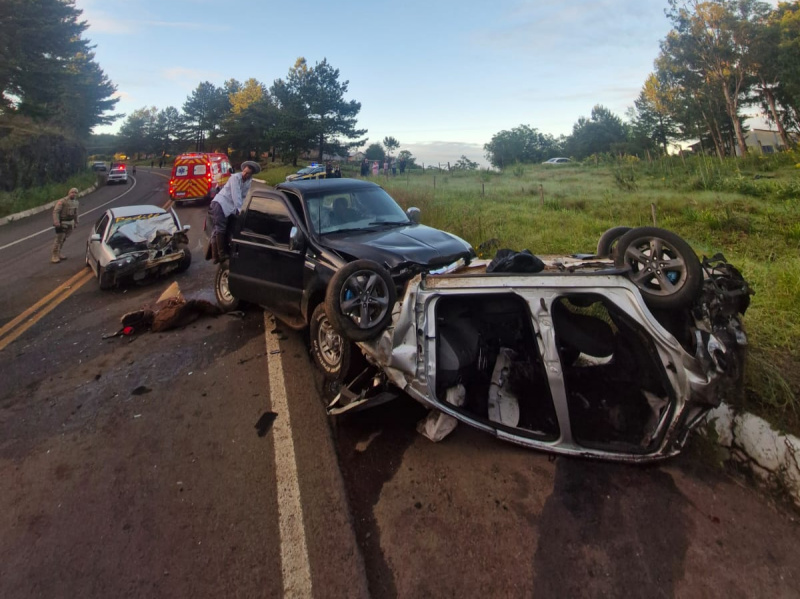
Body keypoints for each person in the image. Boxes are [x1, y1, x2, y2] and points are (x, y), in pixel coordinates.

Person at [208, 160, 261, 263]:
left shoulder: (249, 182)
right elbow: (236, 196)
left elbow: (244, 196)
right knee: (220, 228)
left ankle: (215, 257)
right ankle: (221, 254)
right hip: (221, 203)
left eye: (248, 173)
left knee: (217, 230)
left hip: (229, 206)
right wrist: (241, 211)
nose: (244, 174)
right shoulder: (235, 178)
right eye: (244, 172)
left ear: (251, 174)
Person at [51, 187, 79, 263]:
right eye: (72, 192)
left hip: (70, 222)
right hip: (62, 222)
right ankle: (54, 255)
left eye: (75, 193)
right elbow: (56, 211)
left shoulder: (76, 202)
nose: (73, 194)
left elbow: (76, 213)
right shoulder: (63, 201)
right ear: (69, 193)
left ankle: (59, 253)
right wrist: (56, 221)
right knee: (59, 239)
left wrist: (76, 222)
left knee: (63, 239)